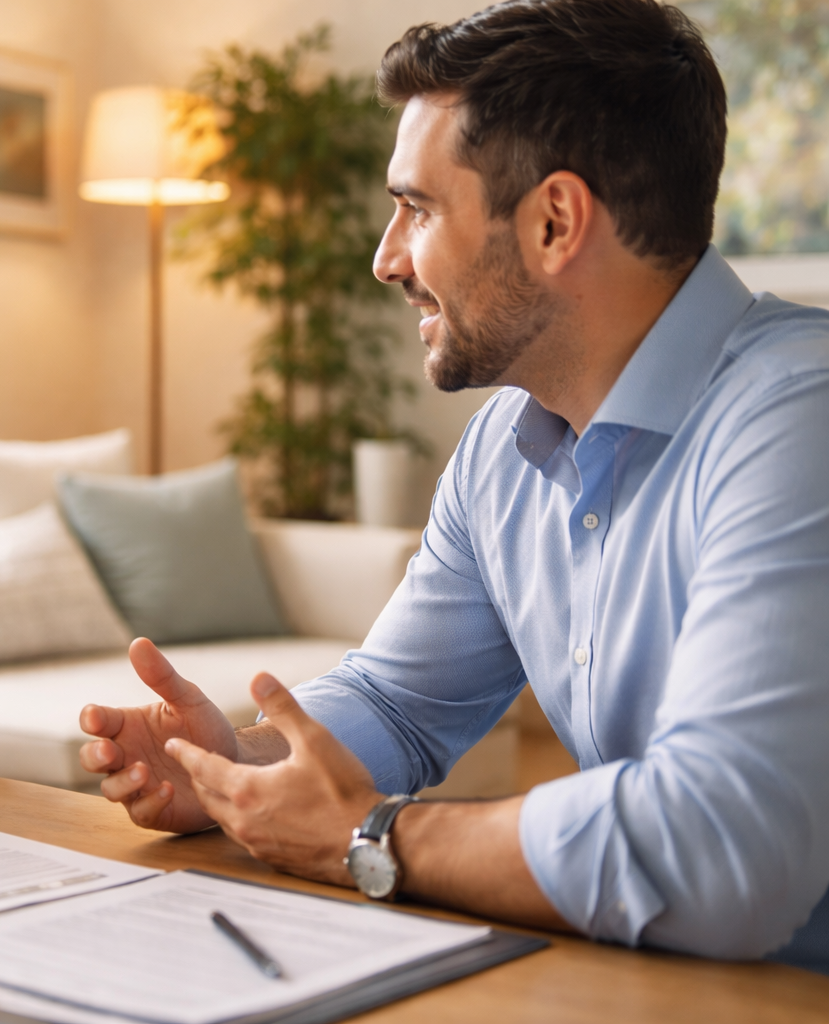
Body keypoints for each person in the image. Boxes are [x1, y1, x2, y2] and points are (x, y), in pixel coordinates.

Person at [79, 0, 829, 973]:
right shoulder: (501, 452)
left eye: (419, 209)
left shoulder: (798, 421)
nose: (386, 257)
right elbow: (398, 700)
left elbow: (721, 849)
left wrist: (372, 838)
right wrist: (241, 767)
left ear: (555, 222)